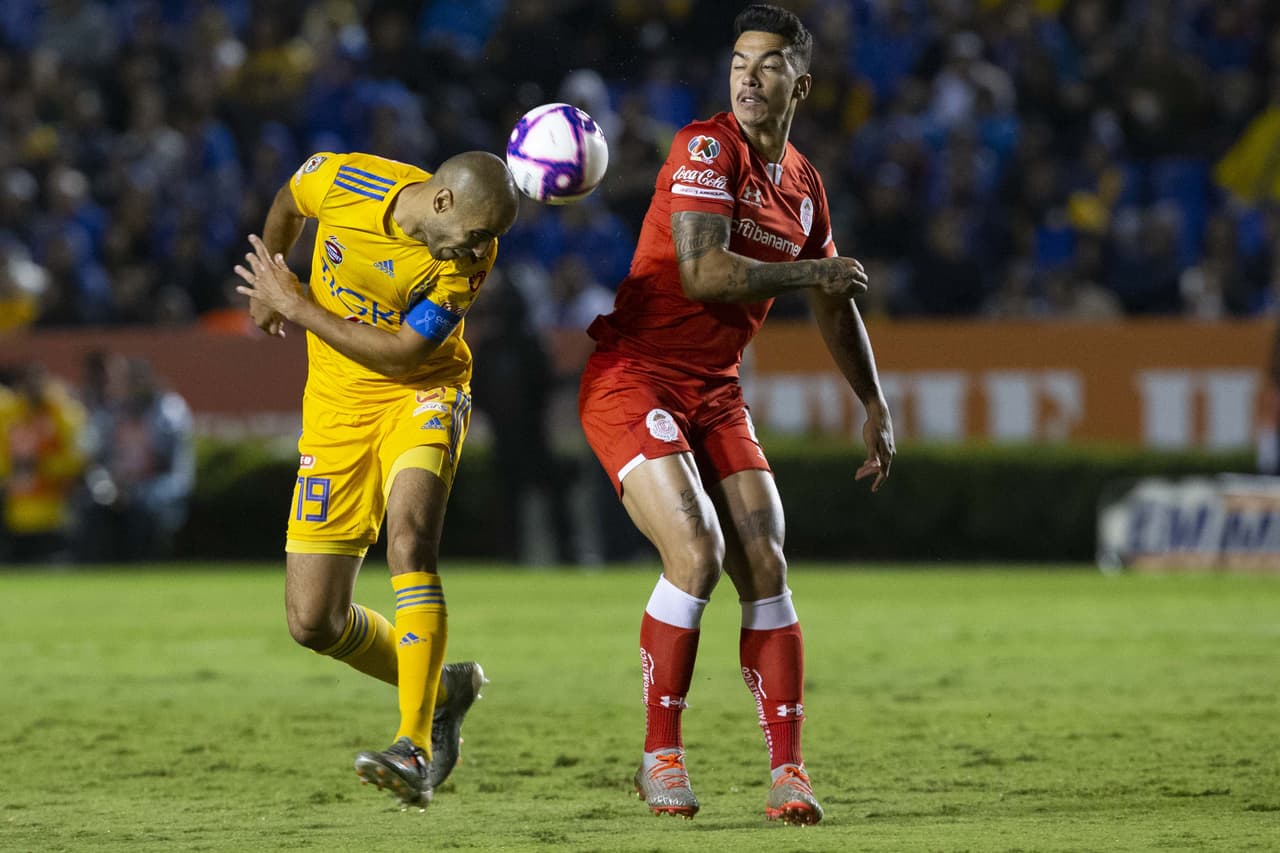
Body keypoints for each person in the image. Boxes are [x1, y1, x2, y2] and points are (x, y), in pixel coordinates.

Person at [577, 5, 895, 826]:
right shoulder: (704, 148)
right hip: (634, 377)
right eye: (739, 63)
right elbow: (704, 273)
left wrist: (872, 400)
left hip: (714, 391)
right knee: (697, 552)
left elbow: (834, 305)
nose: (748, 78)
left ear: (802, 84)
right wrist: (813, 276)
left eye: (768, 64)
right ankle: (660, 756)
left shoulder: (805, 186)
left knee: (766, 559)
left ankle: (789, 772)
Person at [231, 148, 519, 810]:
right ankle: (441, 690)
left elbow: (401, 356)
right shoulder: (344, 180)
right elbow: (288, 202)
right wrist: (272, 278)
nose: (483, 250)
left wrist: (296, 305)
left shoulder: (464, 264)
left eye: (492, 238)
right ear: (442, 201)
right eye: (479, 233)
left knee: (410, 541)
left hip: (423, 393)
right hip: (336, 411)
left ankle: (412, 747)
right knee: (314, 621)